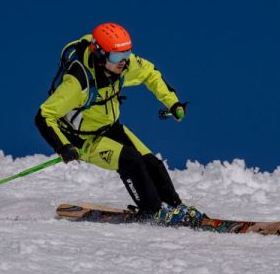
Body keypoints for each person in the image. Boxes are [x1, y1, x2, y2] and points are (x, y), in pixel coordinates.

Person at [35, 22, 204, 226]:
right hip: (82, 140)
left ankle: (175, 206)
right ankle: (153, 212)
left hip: (109, 127)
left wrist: (172, 102)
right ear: (99, 54)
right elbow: (44, 116)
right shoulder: (78, 82)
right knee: (131, 161)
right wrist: (63, 146)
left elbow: (150, 73)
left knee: (152, 163)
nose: (123, 62)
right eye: (116, 57)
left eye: (127, 53)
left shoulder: (123, 66)